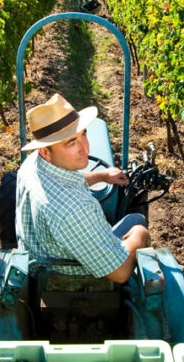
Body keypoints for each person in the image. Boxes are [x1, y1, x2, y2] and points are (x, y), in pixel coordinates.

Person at [16, 93, 150, 284]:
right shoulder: (74, 208)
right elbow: (119, 273)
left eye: (83, 134)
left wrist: (102, 176)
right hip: (75, 279)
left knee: (134, 221)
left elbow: (69, 181)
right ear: (45, 151)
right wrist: (140, 235)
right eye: (71, 142)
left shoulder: (31, 164)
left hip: (42, 258)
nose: (86, 149)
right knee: (137, 222)